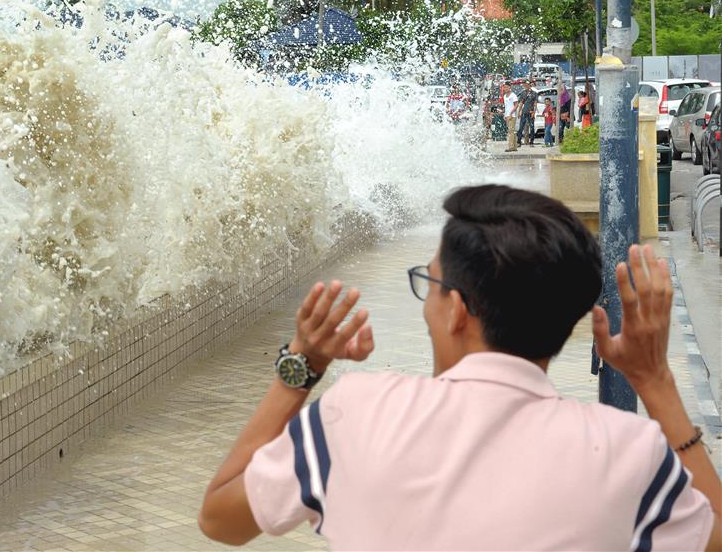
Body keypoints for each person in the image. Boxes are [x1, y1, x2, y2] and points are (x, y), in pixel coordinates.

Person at [199, 185, 721, 551]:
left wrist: (303, 365)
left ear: (455, 308)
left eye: (430, 283)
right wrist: (655, 380)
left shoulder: (355, 414)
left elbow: (221, 517)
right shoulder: (629, 451)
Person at [516, 80, 539, 146]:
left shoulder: (534, 93)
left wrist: (534, 112)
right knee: (521, 128)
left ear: (530, 85)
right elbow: (521, 103)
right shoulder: (523, 93)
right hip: (524, 112)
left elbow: (535, 103)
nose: (526, 86)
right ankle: (518, 141)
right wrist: (519, 112)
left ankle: (531, 142)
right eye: (525, 85)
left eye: (527, 85)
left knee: (532, 128)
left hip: (530, 112)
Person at [502, 84, 519, 152]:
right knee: (512, 131)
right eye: (504, 87)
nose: (505, 88)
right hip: (507, 115)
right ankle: (514, 146)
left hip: (512, 115)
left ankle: (511, 146)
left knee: (511, 131)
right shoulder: (504, 96)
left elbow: (516, 105)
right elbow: (506, 107)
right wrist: (505, 114)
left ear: (509, 88)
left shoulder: (513, 95)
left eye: (506, 87)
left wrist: (511, 113)